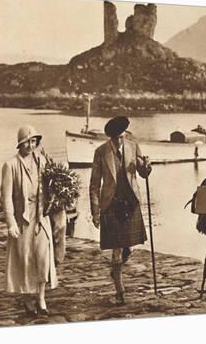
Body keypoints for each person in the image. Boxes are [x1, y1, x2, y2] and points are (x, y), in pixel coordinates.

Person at [89, 116, 151, 305]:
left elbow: (143, 173)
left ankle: (115, 270)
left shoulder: (133, 147)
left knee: (130, 248)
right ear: (111, 138)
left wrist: (146, 166)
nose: (119, 141)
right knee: (116, 251)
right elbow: (94, 184)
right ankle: (120, 291)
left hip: (131, 203)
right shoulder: (101, 152)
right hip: (111, 205)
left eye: (122, 137)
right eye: (116, 138)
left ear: (125, 135)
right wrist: (95, 211)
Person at [1, 125, 58, 316]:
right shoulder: (10, 165)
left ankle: (41, 298)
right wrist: (11, 223)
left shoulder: (42, 161)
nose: (31, 145)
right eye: (27, 141)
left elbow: (51, 187)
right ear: (20, 144)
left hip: (41, 216)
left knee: (43, 258)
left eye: (34, 141)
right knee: (25, 260)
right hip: (23, 218)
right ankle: (27, 299)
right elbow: (6, 197)